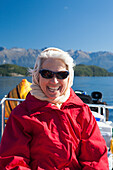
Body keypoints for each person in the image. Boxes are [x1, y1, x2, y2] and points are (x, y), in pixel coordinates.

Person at [0, 47, 109, 169]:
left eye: (62, 75)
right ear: (37, 76)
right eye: (47, 74)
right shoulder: (21, 115)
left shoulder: (82, 112)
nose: (54, 81)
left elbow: (95, 159)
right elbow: (14, 162)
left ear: (69, 78)